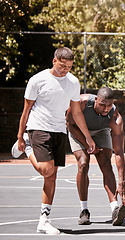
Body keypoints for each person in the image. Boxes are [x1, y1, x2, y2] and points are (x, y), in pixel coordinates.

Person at [11, 47, 96, 235]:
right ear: (54, 61)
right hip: (38, 127)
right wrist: (20, 136)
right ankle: (28, 148)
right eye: (63, 66)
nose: (66, 70)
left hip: (59, 131)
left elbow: (76, 112)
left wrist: (88, 137)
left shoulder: (73, 82)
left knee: (52, 176)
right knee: (46, 170)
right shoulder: (37, 80)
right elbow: (26, 110)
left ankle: (43, 220)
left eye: (69, 67)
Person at [66, 87, 125, 226]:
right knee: (83, 163)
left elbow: (118, 152)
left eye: (109, 105)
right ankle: (84, 210)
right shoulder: (81, 102)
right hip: (78, 131)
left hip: (100, 132)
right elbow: (70, 125)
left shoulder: (115, 118)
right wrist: (88, 143)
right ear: (96, 99)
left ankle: (115, 209)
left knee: (106, 163)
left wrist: (122, 182)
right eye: (102, 104)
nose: (105, 109)